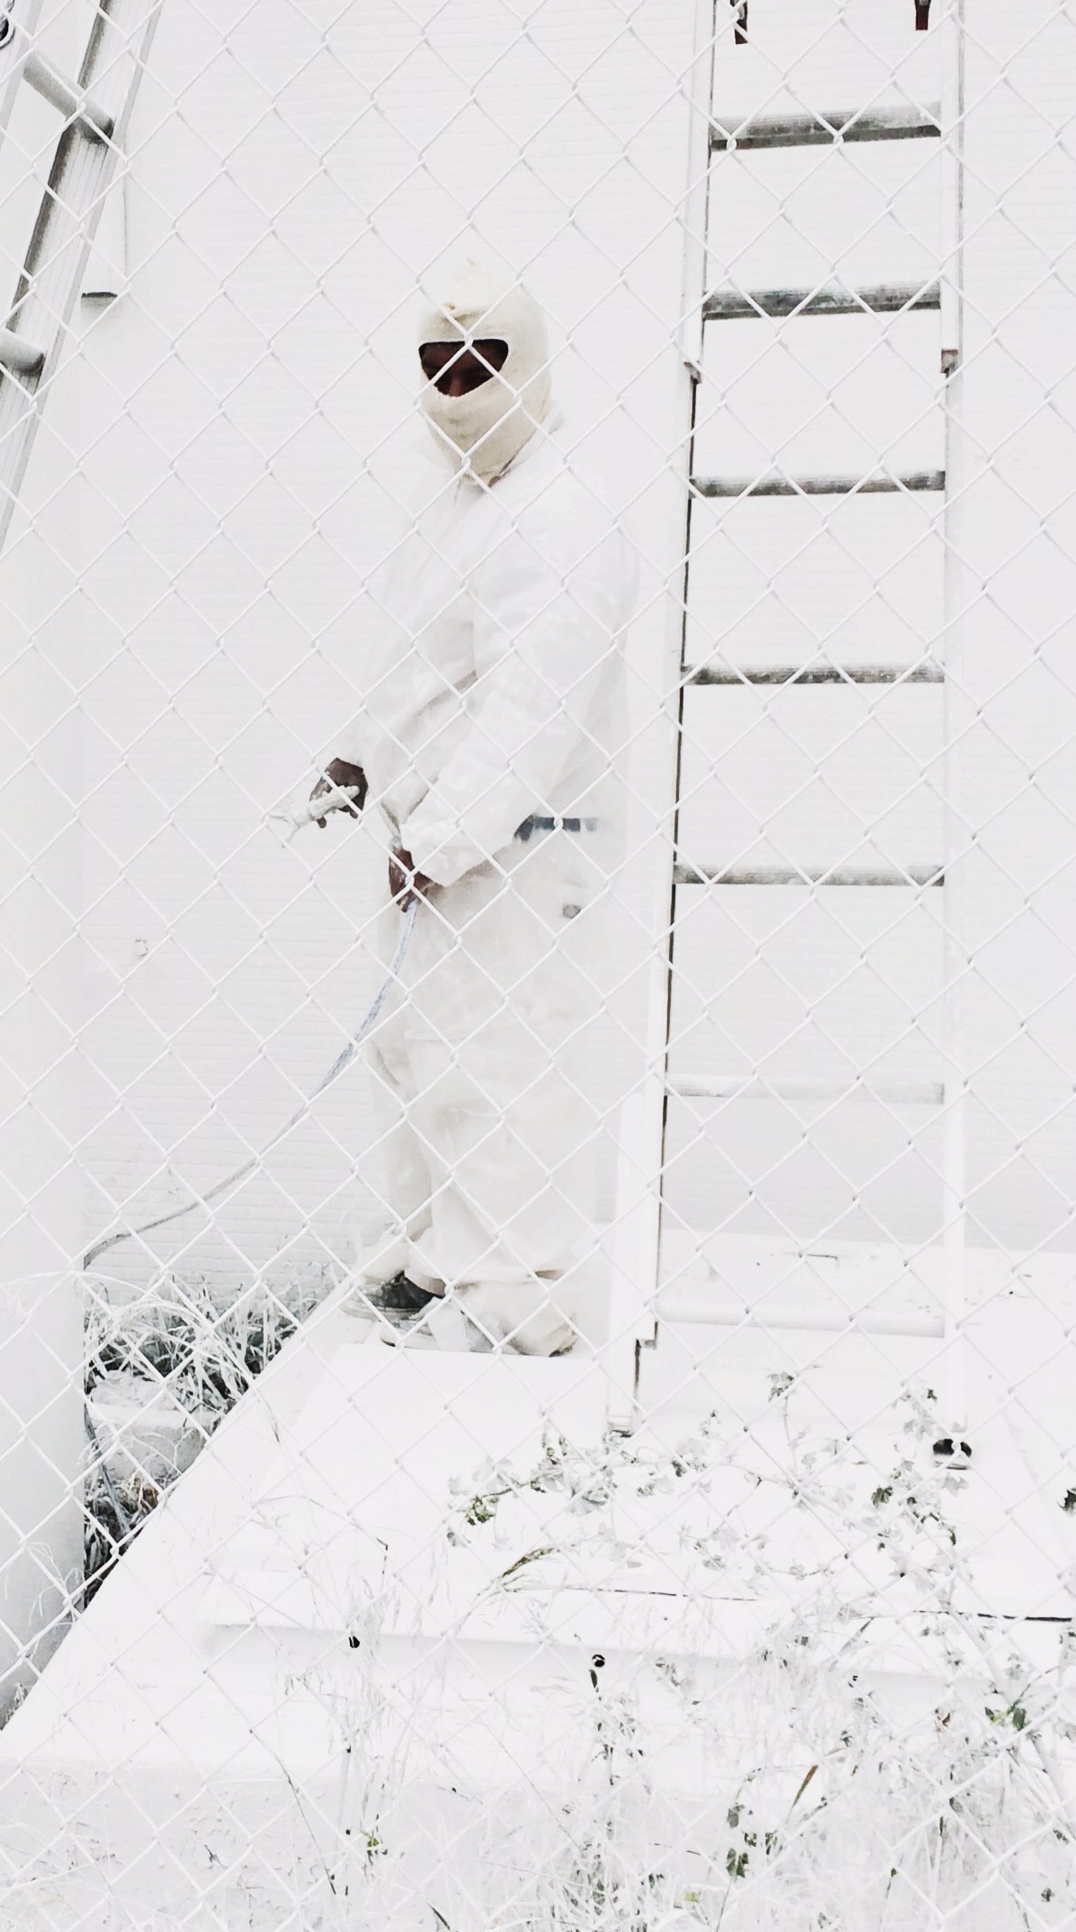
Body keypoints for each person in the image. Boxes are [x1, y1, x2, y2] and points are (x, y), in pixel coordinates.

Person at [314, 256, 635, 1357]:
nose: (456, 389)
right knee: (417, 1053)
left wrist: (446, 836)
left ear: (531, 367)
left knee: (497, 1059)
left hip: (510, 849)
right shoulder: (459, 505)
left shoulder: (562, 519)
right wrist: (359, 759)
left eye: (480, 364)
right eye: (436, 367)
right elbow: (420, 659)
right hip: (434, 847)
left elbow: (527, 710)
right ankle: (433, 1255)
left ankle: (512, 1293)